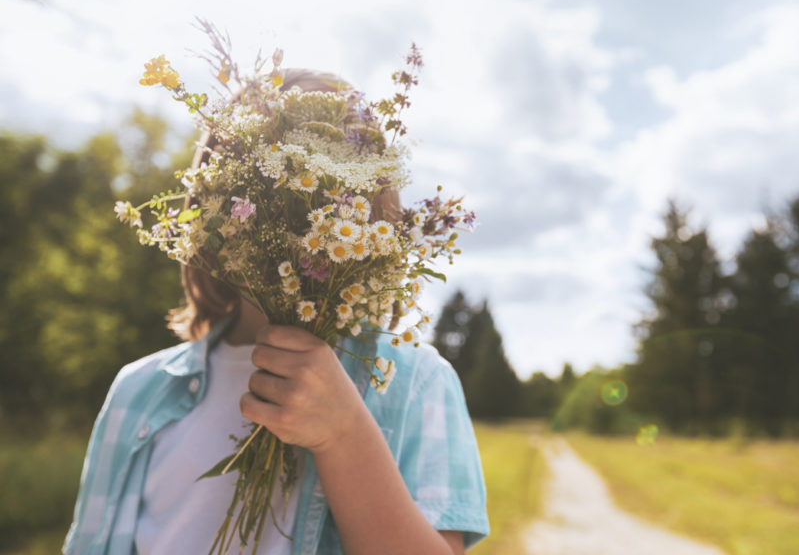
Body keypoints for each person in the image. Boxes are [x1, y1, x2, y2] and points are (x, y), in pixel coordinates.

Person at [63, 70, 490, 554]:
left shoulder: (413, 382)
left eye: (325, 188)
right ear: (207, 207)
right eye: (259, 181)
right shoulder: (138, 393)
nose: (289, 212)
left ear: (370, 212)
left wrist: (344, 434)